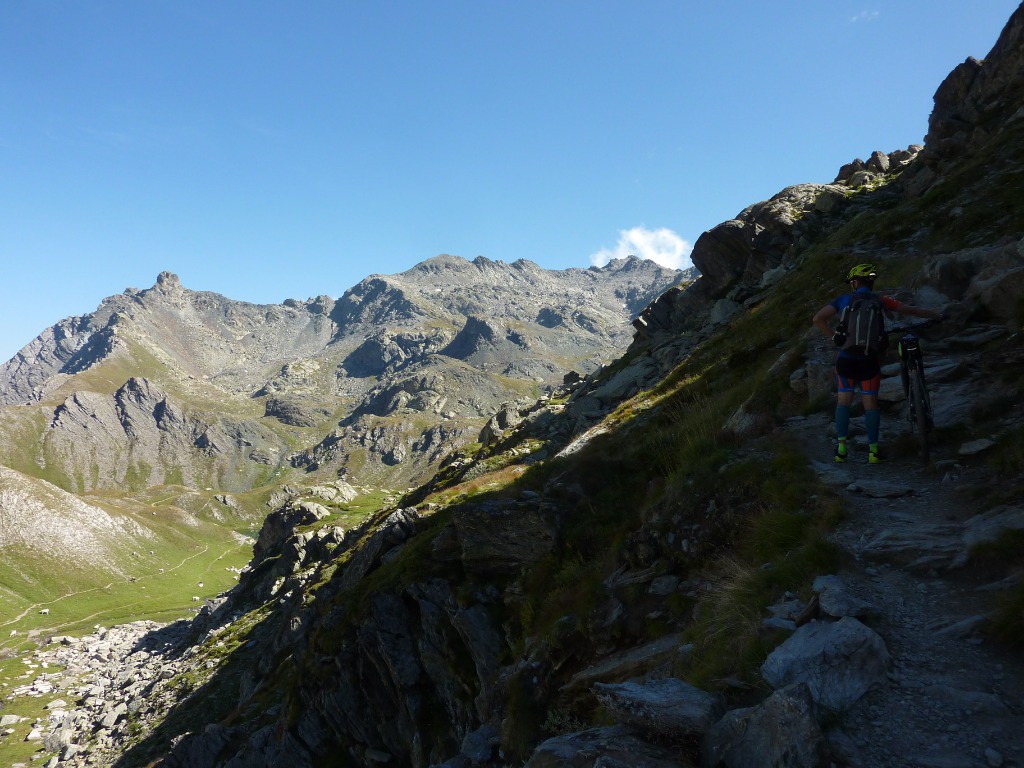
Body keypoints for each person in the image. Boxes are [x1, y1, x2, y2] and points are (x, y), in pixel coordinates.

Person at [812, 264, 942, 464]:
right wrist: (935, 314)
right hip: (869, 360)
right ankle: (873, 451)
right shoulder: (881, 300)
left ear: (855, 282)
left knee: (843, 403)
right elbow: (909, 310)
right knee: (870, 405)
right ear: (871, 282)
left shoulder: (843, 300)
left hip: (846, 358)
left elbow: (818, 319)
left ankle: (841, 450)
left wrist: (834, 338)